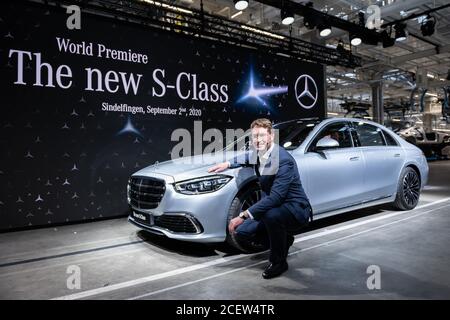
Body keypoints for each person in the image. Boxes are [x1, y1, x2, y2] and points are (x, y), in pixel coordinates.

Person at [208, 118, 312, 279]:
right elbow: (246, 157)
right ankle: (284, 240)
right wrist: (227, 164)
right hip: (274, 208)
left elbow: (276, 198)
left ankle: (279, 262)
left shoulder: (283, 160)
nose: (258, 140)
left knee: (271, 216)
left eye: (262, 135)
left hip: (294, 209)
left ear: (271, 136)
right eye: (255, 136)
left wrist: (242, 215)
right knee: (242, 231)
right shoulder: (259, 153)